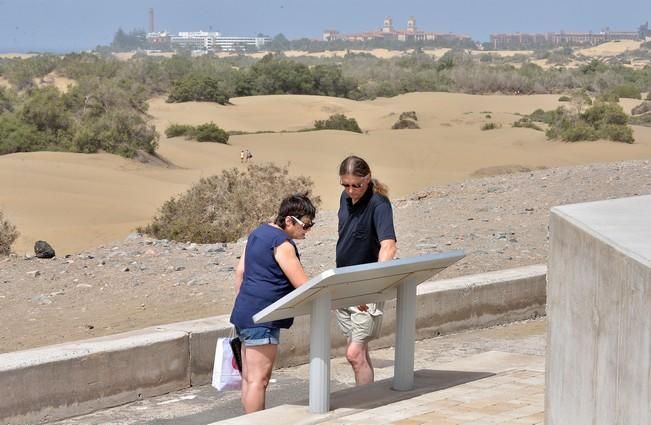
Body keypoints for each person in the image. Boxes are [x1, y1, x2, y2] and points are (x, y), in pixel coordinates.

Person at [230, 193, 316, 413]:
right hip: (263, 318)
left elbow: (240, 273)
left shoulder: (257, 233)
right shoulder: (282, 244)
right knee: (260, 381)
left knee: (249, 379)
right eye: (305, 225)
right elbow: (303, 285)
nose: (307, 230)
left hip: (244, 313)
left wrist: (247, 302)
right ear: (289, 220)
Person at [335, 155, 397, 386]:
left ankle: (363, 405)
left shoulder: (379, 204)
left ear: (368, 179)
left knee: (353, 354)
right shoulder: (345, 198)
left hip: (365, 287)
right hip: (344, 282)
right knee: (360, 353)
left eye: (356, 185)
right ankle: (368, 399)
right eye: (346, 185)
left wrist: (372, 288)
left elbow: (388, 246)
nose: (351, 190)